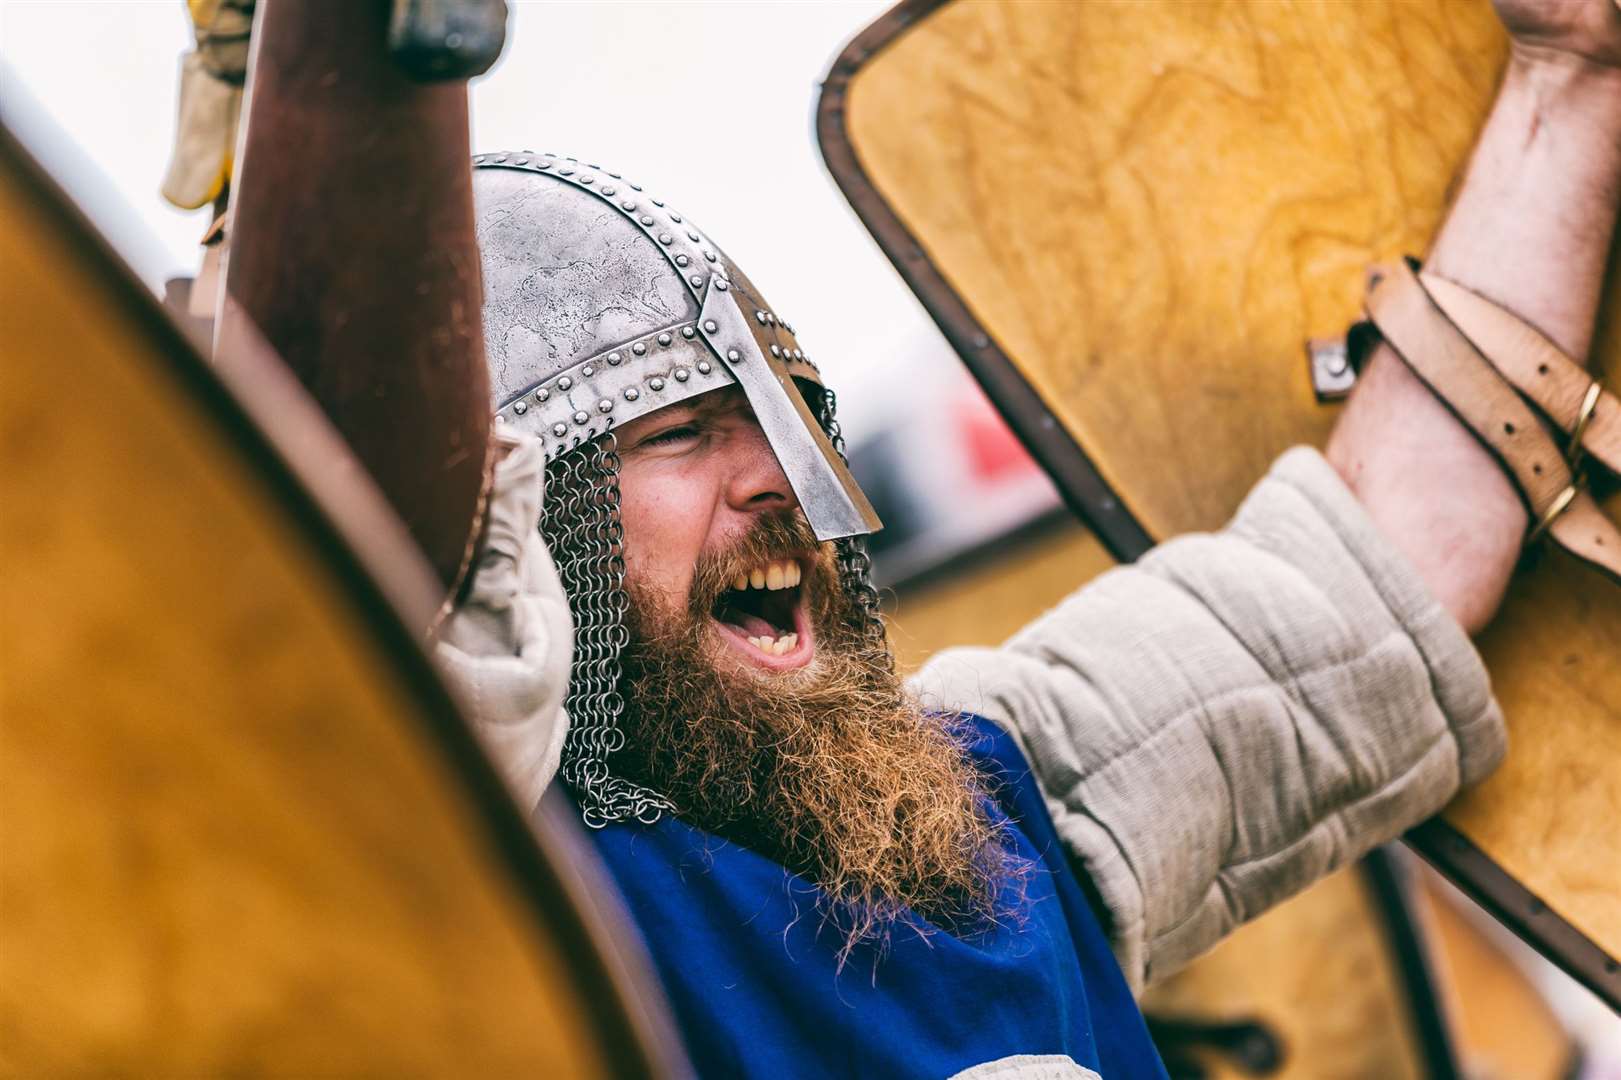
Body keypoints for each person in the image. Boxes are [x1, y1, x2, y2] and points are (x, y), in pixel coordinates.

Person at [433, 0, 1621, 1074]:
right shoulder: (483, 903)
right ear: (532, 528)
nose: (776, 485)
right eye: (682, 436)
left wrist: (1570, 76)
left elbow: (1363, 587)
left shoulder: (984, 807)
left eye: (787, 429)